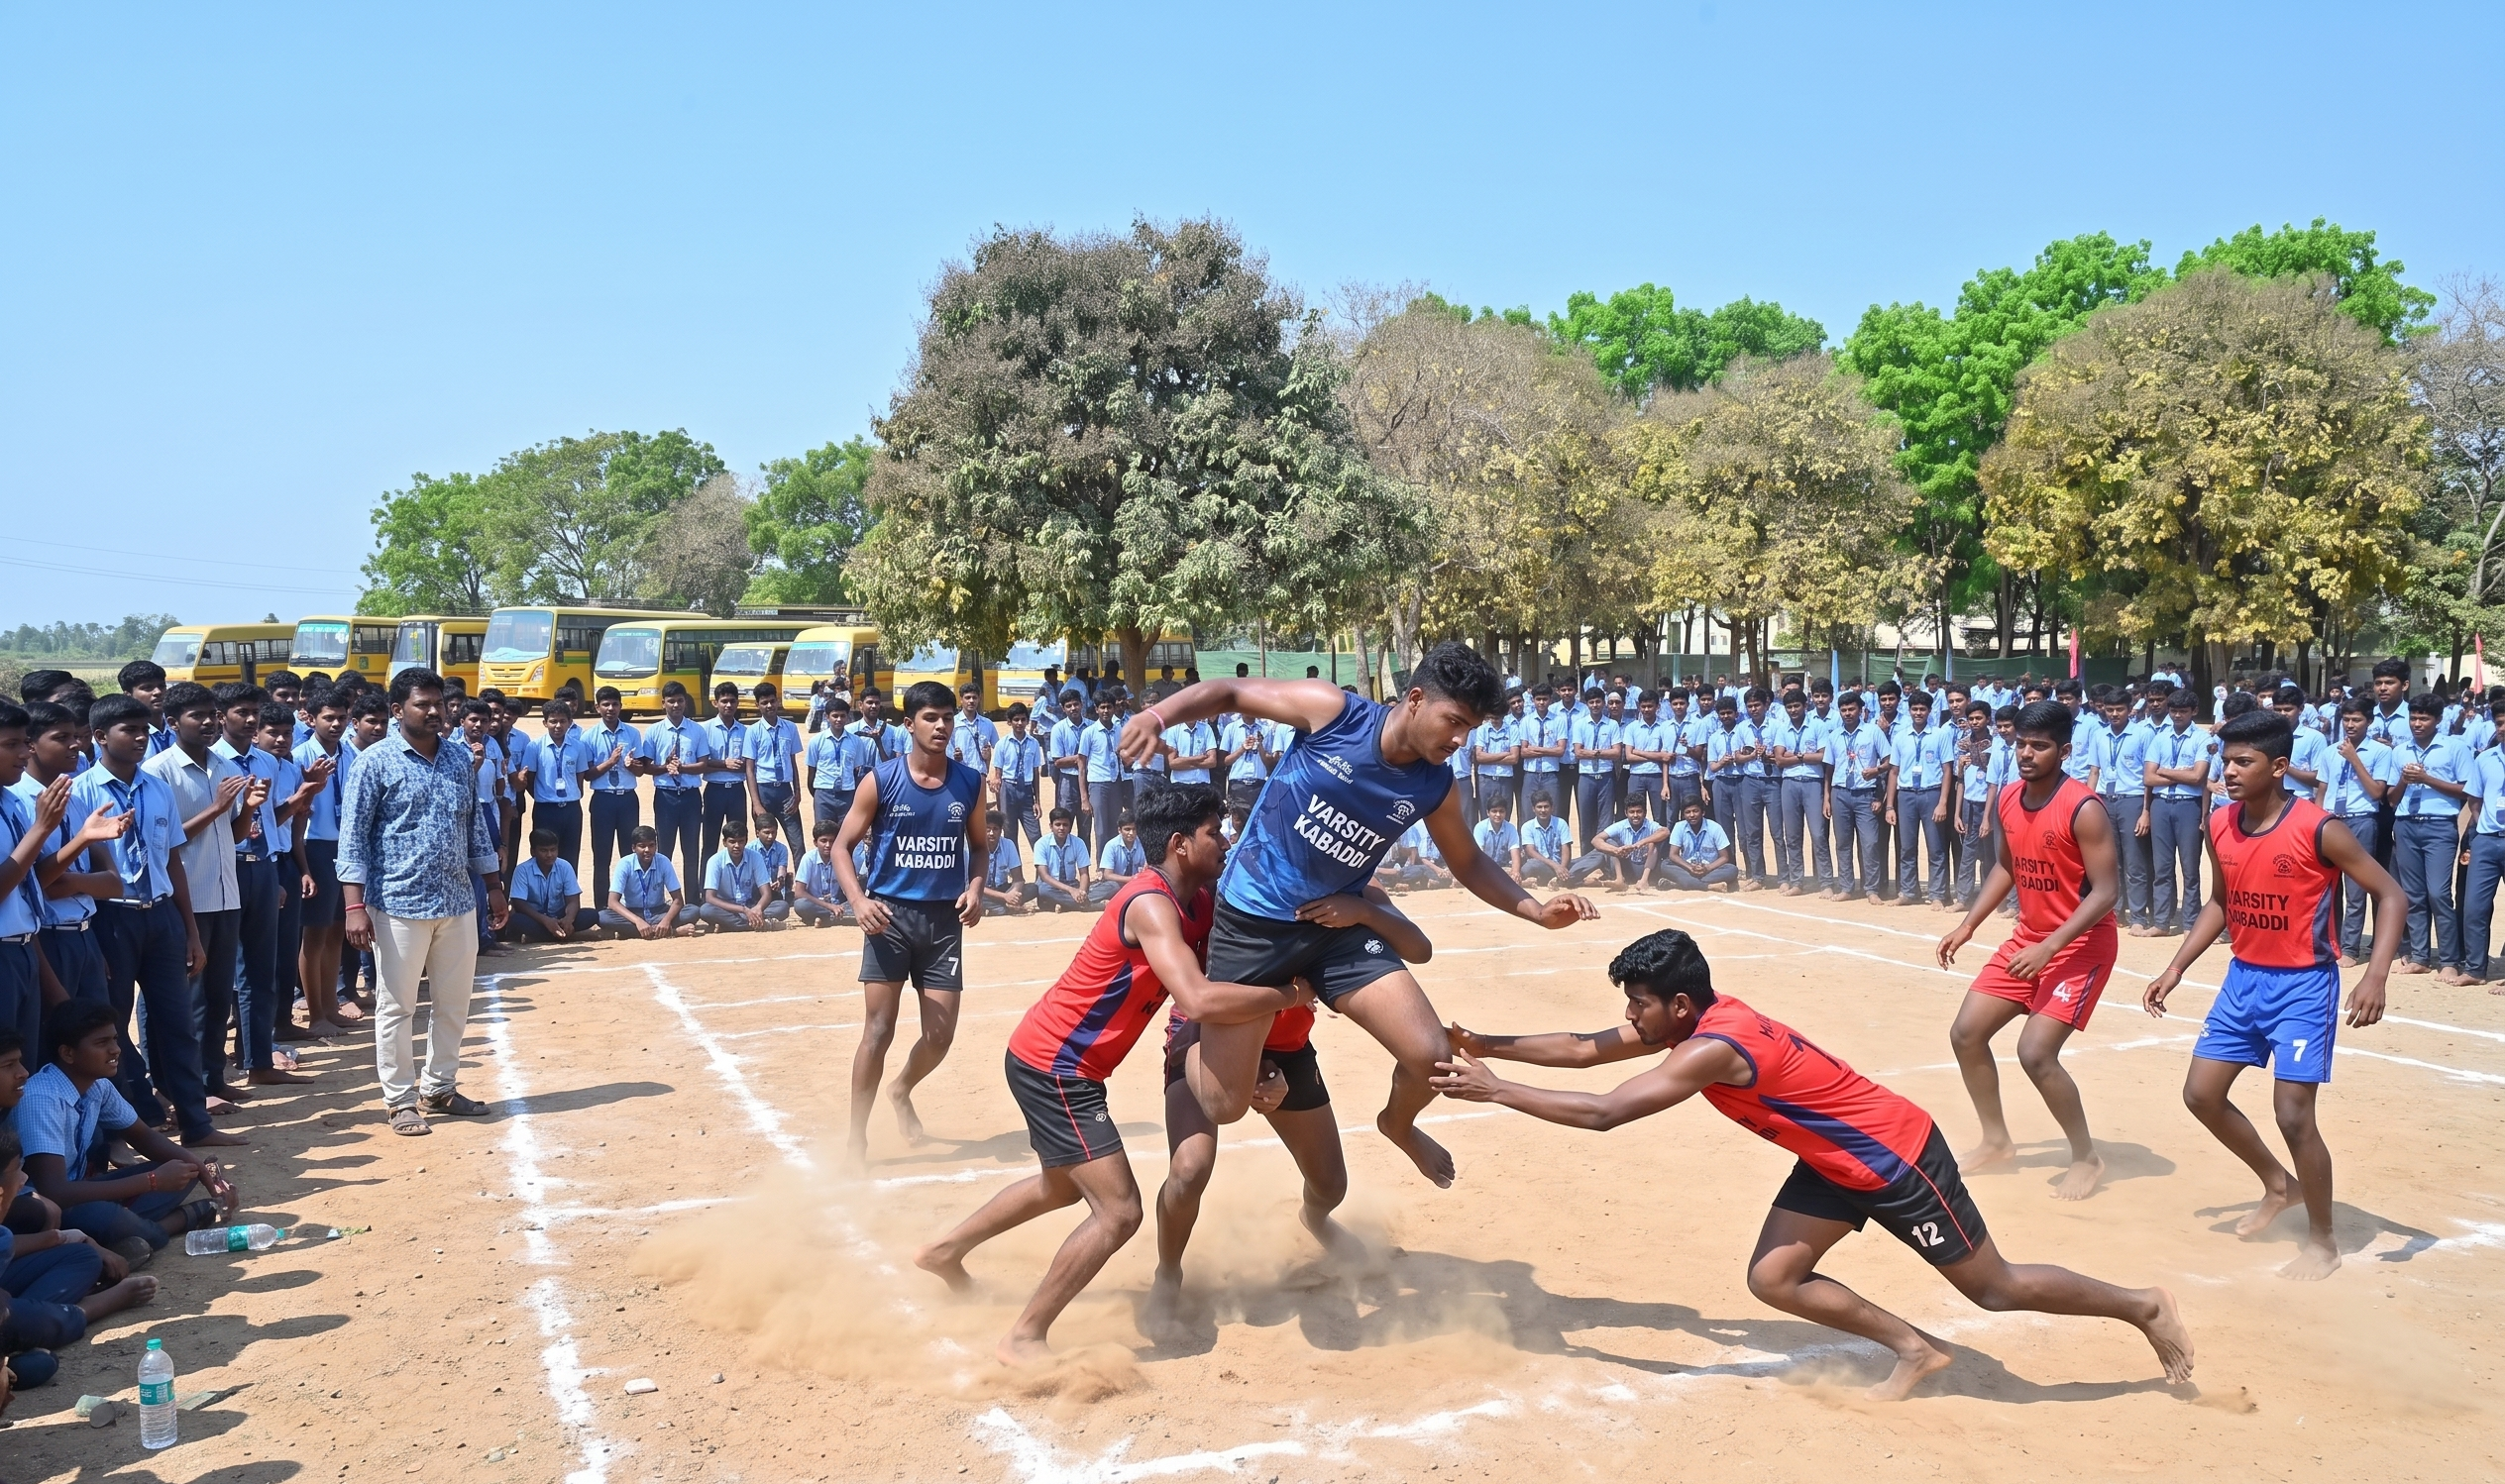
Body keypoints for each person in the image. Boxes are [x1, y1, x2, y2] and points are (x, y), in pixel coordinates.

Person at [1433, 929, 2193, 1402]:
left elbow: (1606, 1111)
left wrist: (1497, 1094)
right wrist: (1488, 1045)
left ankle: (2143, 1306)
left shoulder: (1712, 1048)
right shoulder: (1696, 1019)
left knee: (1996, 1288)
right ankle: (1918, 1350)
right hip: (1832, 1160)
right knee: (1773, 1278)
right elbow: (1581, 1048)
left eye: (1639, 1004)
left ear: (1681, 1006)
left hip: (1893, 1159)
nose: (1630, 1016)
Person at [1117, 643, 1596, 1189]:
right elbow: (1228, 692)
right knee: (1225, 1106)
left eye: (1472, 729)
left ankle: (1398, 1124)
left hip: (1336, 924)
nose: (1462, 740)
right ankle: (1192, 1036)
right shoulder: (1333, 711)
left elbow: (1466, 860)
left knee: (1432, 1058)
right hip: (1254, 921)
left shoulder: (1435, 785)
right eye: (1455, 722)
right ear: (1415, 700)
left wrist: (1534, 909)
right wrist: (1156, 716)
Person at [911, 783, 1306, 1364]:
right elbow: (1195, 999)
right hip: (1055, 1066)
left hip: (1059, 1063)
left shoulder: (1198, 897)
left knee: (1060, 1186)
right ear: (1179, 844)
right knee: (1118, 1211)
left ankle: (944, 1250)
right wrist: (1289, 993)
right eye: (1213, 832)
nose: (1224, 842)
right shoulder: (1151, 904)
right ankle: (1024, 1337)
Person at [2144, 709, 2406, 1279]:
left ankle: (2323, 1241)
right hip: (2243, 979)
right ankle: (2277, 1183)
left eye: (2245, 761)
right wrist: (2177, 967)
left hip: (2304, 986)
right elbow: (2220, 901)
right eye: (2226, 760)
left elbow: (2392, 896)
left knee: (2293, 1115)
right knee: (2201, 1095)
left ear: (2279, 766)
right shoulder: (2218, 822)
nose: (2230, 771)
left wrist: (2376, 974)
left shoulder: (2319, 827)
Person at [1149, 881, 1427, 1336]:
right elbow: (1195, 997)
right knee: (1189, 1169)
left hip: (1287, 1042)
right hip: (1209, 1036)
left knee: (1330, 1184)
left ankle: (1314, 1218)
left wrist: (1361, 908)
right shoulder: (1231, 888)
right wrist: (1254, 1065)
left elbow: (1419, 947)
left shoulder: (1352, 891)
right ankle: (1167, 1272)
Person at [1936, 700, 2122, 1201]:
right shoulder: (2009, 798)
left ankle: (2087, 1156)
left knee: (2036, 1053)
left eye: (2039, 746)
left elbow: (2106, 892)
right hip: (2029, 940)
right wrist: (1969, 924)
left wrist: (2051, 945)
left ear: (2064, 751)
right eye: (2020, 743)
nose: (2026, 754)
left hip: (2080, 945)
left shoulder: (2084, 807)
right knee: (1966, 1034)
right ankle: (1996, 1140)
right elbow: (2006, 867)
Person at [338, 669, 507, 1137]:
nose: (435, 712)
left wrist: (492, 884)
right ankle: (399, 1100)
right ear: (397, 711)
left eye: (439, 703)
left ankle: (440, 1087)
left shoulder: (457, 759)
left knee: (454, 1003)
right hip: (397, 904)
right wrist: (354, 906)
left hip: (457, 901)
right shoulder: (374, 763)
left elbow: (474, 826)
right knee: (398, 1007)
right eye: (422, 704)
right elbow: (352, 838)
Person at [831, 681, 990, 1166]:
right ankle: (856, 1138)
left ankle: (901, 1089)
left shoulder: (970, 782)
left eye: (946, 717)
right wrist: (858, 901)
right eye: (930, 718)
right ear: (910, 724)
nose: (941, 726)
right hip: (889, 918)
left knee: (940, 1037)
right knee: (878, 1031)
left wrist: (977, 888)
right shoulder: (881, 780)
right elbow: (841, 847)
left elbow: (980, 846)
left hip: (944, 922)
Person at [14, 1000, 236, 1266]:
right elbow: (54, 1192)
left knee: (183, 1168)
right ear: (68, 1053)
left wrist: (206, 1174)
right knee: (104, 1217)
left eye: (115, 1040)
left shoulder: (98, 1087)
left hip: (83, 1191)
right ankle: (173, 1223)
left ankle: (129, 1229)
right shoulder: (41, 1099)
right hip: (45, 1207)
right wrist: (152, 1181)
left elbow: (144, 1136)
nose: (115, 1050)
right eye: (102, 1043)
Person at [147, 683, 265, 1114]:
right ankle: (187, 1088)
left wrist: (247, 808)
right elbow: (167, 843)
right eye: (198, 716)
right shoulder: (160, 771)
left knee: (218, 995)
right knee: (189, 1002)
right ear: (174, 723)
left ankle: (214, 1077)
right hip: (188, 898)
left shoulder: (223, 765)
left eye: (213, 714)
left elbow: (231, 836)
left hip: (224, 892)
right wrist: (217, 807)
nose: (210, 722)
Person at [2387, 693, 2473, 982]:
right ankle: (2421, 957)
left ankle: (2449, 959)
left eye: (2424, 718)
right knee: (2413, 895)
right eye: (2413, 718)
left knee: (2438, 893)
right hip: (2406, 824)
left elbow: (2465, 790)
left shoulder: (2454, 748)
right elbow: (2390, 798)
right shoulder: (2400, 751)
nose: (2417, 723)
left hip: (2439, 826)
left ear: (2438, 720)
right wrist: (2404, 779)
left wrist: (2427, 779)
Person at [2144, 690, 2214, 936]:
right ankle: (2162, 922)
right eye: (2173, 711)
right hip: (2161, 804)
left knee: (2190, 868)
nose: (2177, 716)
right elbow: (2148, 777)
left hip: (2189, 806)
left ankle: (2190, 923)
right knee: (2162, 867)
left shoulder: (2201, 739)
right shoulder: (2160, 738)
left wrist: (2165, 771)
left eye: (2182, 712)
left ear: (2193, 711)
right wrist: (2178, 772)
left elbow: (2198, 777)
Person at [638, 683, 715, 893]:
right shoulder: (654, 731)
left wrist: (681, 767)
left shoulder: (696, 730)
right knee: (664, 851)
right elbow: (647, 766)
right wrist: (666, 766)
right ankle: (659, 899)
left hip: (690, 797)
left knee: (691, 851)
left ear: (685, 702)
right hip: (665, 797)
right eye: (671, 701)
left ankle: (692, 899)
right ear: (663, 703)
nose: (676, 705)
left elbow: (703, 764)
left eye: (680, 700)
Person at [516, 698, 596, 876]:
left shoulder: (578, 746)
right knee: (544, 856)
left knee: (570, 857)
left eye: (562, 721)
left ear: (569, 723)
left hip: (571, 810)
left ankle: (569, 900)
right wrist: (544, 795)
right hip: (545, 810)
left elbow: (579, 776)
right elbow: (530, 779)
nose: (558, 725)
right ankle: (544, 900)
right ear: (545, 723)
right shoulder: (534, 747)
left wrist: (570, 796)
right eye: (553, 721)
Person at [581, 687, 642, 901]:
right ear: (597, 707)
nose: (611, 709)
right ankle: (601, 906)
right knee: (602, 856)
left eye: (615, 704)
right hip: (603, 799)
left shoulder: (632, 733)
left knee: (630, 853)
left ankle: (631, 902)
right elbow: (587, 774)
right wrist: (610, 762)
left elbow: (641, 770)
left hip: (627, 798)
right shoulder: (588, 737)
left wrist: (632, 764)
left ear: (621, 706)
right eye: (605, 704)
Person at [600, 825, 702, 939]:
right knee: (603, 917)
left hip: (658, 912)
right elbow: (612, 902)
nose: (647, 850)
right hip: (632, 912)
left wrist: (666, 920)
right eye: (642, 846)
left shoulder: (663, 861)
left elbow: (678, 900)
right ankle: (673, 932)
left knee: (693, 911)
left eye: (651, 845)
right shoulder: (625, 864)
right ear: (633, 848)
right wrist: (638, 921)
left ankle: (634, 932)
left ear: (656, 846)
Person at [745, 682, 808, 855]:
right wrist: (756, 803)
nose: (769, 706)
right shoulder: (753, 731)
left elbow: (793, 762)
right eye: (764, 703)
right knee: (764, 843)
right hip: (764, 791)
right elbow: (750, 769)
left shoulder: (790, 727)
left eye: (772, 701)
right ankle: (764, 882)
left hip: (785, 792)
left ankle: (800, 882)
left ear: (778, 701)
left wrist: (797, 793)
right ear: (757, 705)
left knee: (798, 843)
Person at [504, 829, 597, 942]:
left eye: (553, 850)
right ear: (533, 851)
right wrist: (545, 921)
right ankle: (559, 935)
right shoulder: (522, 870)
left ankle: (541, 936)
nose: (549, 855)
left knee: (592, 915)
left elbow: (573, 900)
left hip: (559, 916)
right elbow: (519, 903)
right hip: (535, 918)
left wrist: (568, 919)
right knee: (516, 920)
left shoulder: (565, 866)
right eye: (544, 850)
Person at [698, 682, 752, 871]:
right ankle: (706, 890)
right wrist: (724, 764)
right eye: (724, 701)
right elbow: (701, 763)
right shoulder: (704, 729)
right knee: (710, 841)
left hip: (737, 791)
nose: (728, 705)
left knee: (738, 841)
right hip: (714, 790)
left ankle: (737, 885)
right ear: (715, 703)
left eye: (732, 701)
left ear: (738, 703)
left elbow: (748, 765)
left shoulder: (746, 731)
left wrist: (723, 765)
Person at [699, 817, 787, 931]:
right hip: (726, 908)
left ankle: (729, 926)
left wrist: (758, 908)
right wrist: (743, 910)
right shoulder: (714, 861)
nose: (737, 845)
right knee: (706, 910)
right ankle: (759, 924)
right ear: (724, 842)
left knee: (782, 907)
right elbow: (710, 898)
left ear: (746, 841)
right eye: (732, 842)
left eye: (741, 841)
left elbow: (766, 893)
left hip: (751, 906)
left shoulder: (755, 857)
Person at [1568, 793, 1665, 891]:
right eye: (1632, 812)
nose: (1635, 815)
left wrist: (1642, 842)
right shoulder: (1620, 826)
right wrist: (1617, 850)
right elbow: (1596, 840)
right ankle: (1619, 880)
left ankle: (1644, 881)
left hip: (1644, 868)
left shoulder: (1650, 825)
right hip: (1625, 867)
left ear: (1644, 812)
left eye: (1639, 811)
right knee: (1609, 842)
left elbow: (1665, 831)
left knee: (1653, 843)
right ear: (1626, 813)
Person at [1661, 796, 1738, 892]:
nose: (1692, 815)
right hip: (1687, 868)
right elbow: (1673, 855)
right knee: (1665, 865)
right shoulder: (1679, 827)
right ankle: (1708, 886)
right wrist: (1690, 868)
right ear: (1684, 815)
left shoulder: (1715, 828)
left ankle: (1683, 883)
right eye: (1687, 812)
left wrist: (1708, 868)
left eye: (1695, 811)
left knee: (1732, 869)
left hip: (1710, 869)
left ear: (1703, 812)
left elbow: (1725, 857)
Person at [792, 819, 851, 928]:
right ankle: (833, 917)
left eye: (832, 841)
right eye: (823, 841)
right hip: (817, 904)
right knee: (800, 905)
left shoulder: (842, 858)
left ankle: (824, 918)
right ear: (815, 842)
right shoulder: (808, 858)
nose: (828, 845)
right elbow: (799, 893)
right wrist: (829, 907)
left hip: (839, 904)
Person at [1032, 808, 1093, 912]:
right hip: (1050, 885)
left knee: (1110, 887)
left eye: (1065, 825)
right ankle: (1091, 905)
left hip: (1072, 883)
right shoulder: (1041, 844)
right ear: (1051, 826)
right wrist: (1071, 891)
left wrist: (1081, 892)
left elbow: (1084, 874)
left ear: (1070, 826)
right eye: (1058, 824)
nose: (1062, 828)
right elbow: (1044, 876)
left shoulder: (1079, 843)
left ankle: (1068, 904)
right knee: (1042, 889)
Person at [1091, 811, 1145, 904]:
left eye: (1134, 829)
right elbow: (1107, 875)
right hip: (1117, 883)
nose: (1131, 833)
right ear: (1119, 830)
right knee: (1112, 887)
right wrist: (1130, 879)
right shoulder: (1111, 845)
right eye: (1127, 829)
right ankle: (1082, 901)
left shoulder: (1143, 844)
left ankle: (1099, 904)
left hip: (1136, 884)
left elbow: (1148, 867)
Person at [1516, 793, 1570, 885]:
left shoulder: (1561, 823)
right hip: (1540, 865)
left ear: (1552, 808)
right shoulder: (1527, 826)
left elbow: (1566, 848)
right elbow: (1530, 851)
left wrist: (1562, 868)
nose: (1543, 810)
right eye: (1539, 807)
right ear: (1533, 809)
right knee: (1531, 864)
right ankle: (1566, 879)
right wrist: (1555, 866)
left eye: (1546, 806)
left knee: (1595, 858)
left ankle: (1559, 878)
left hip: (1561, 866)